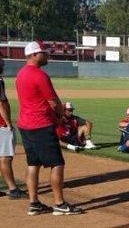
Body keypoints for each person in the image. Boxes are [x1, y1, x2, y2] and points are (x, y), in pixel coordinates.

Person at [15, 40, 82, 215]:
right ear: (34, 55)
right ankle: (59, 203)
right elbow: (54, 102)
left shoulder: (21, 73)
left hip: (25, 125)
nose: (47, 55)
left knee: (33, 164)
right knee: (57, 163)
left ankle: (34, 203)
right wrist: (60, 116)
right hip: (41, 125)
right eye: (43, 53)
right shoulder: (40, 75)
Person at [0, 56, 27, 200]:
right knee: (5, 157)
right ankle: (12, 189)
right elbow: (2, 104)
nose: (2, 62)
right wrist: (8, 123)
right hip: (1, 124)